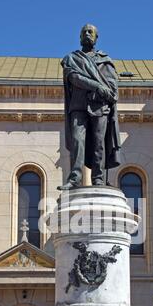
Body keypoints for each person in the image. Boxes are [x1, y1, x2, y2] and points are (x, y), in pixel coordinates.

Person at [58, 24, 121, 190]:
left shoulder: (105, 61)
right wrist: (97, 86)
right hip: (78, 105)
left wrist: (105, 90)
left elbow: (112, 87)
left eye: (90, 32)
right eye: (83, 32)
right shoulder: (71, 59)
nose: (87, 34)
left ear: (96, 37)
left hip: (100, 106)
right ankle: (74, 179)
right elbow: (74, 77)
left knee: (99, 142)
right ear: (79, 38)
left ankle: (98, 178)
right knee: (78, 140)